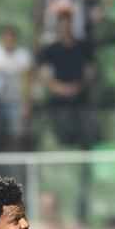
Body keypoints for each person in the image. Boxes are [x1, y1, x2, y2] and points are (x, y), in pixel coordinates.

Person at [37, 9, 96, 148]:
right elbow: (44, 75)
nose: (65, 28)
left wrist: (78, 87)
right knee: (61, 140)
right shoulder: (50, 50)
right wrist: (60, 88)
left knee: (85, 139)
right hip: (58, 103)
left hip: (81, 101)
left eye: (67, 24)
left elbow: (90, 72)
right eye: (62, 25)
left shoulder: (84, 47)